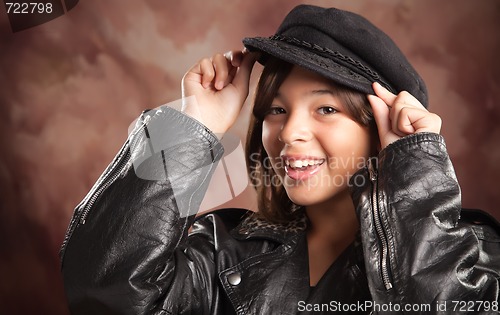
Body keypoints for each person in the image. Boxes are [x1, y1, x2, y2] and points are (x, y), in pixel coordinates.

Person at [60, 4, 500, 314]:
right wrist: (192, 124)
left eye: (326, 109)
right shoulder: (220, 252)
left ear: (381, 130)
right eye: (276, 109)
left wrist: (414, 167)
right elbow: (105, 291)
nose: (289, 133)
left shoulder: (471, 254)